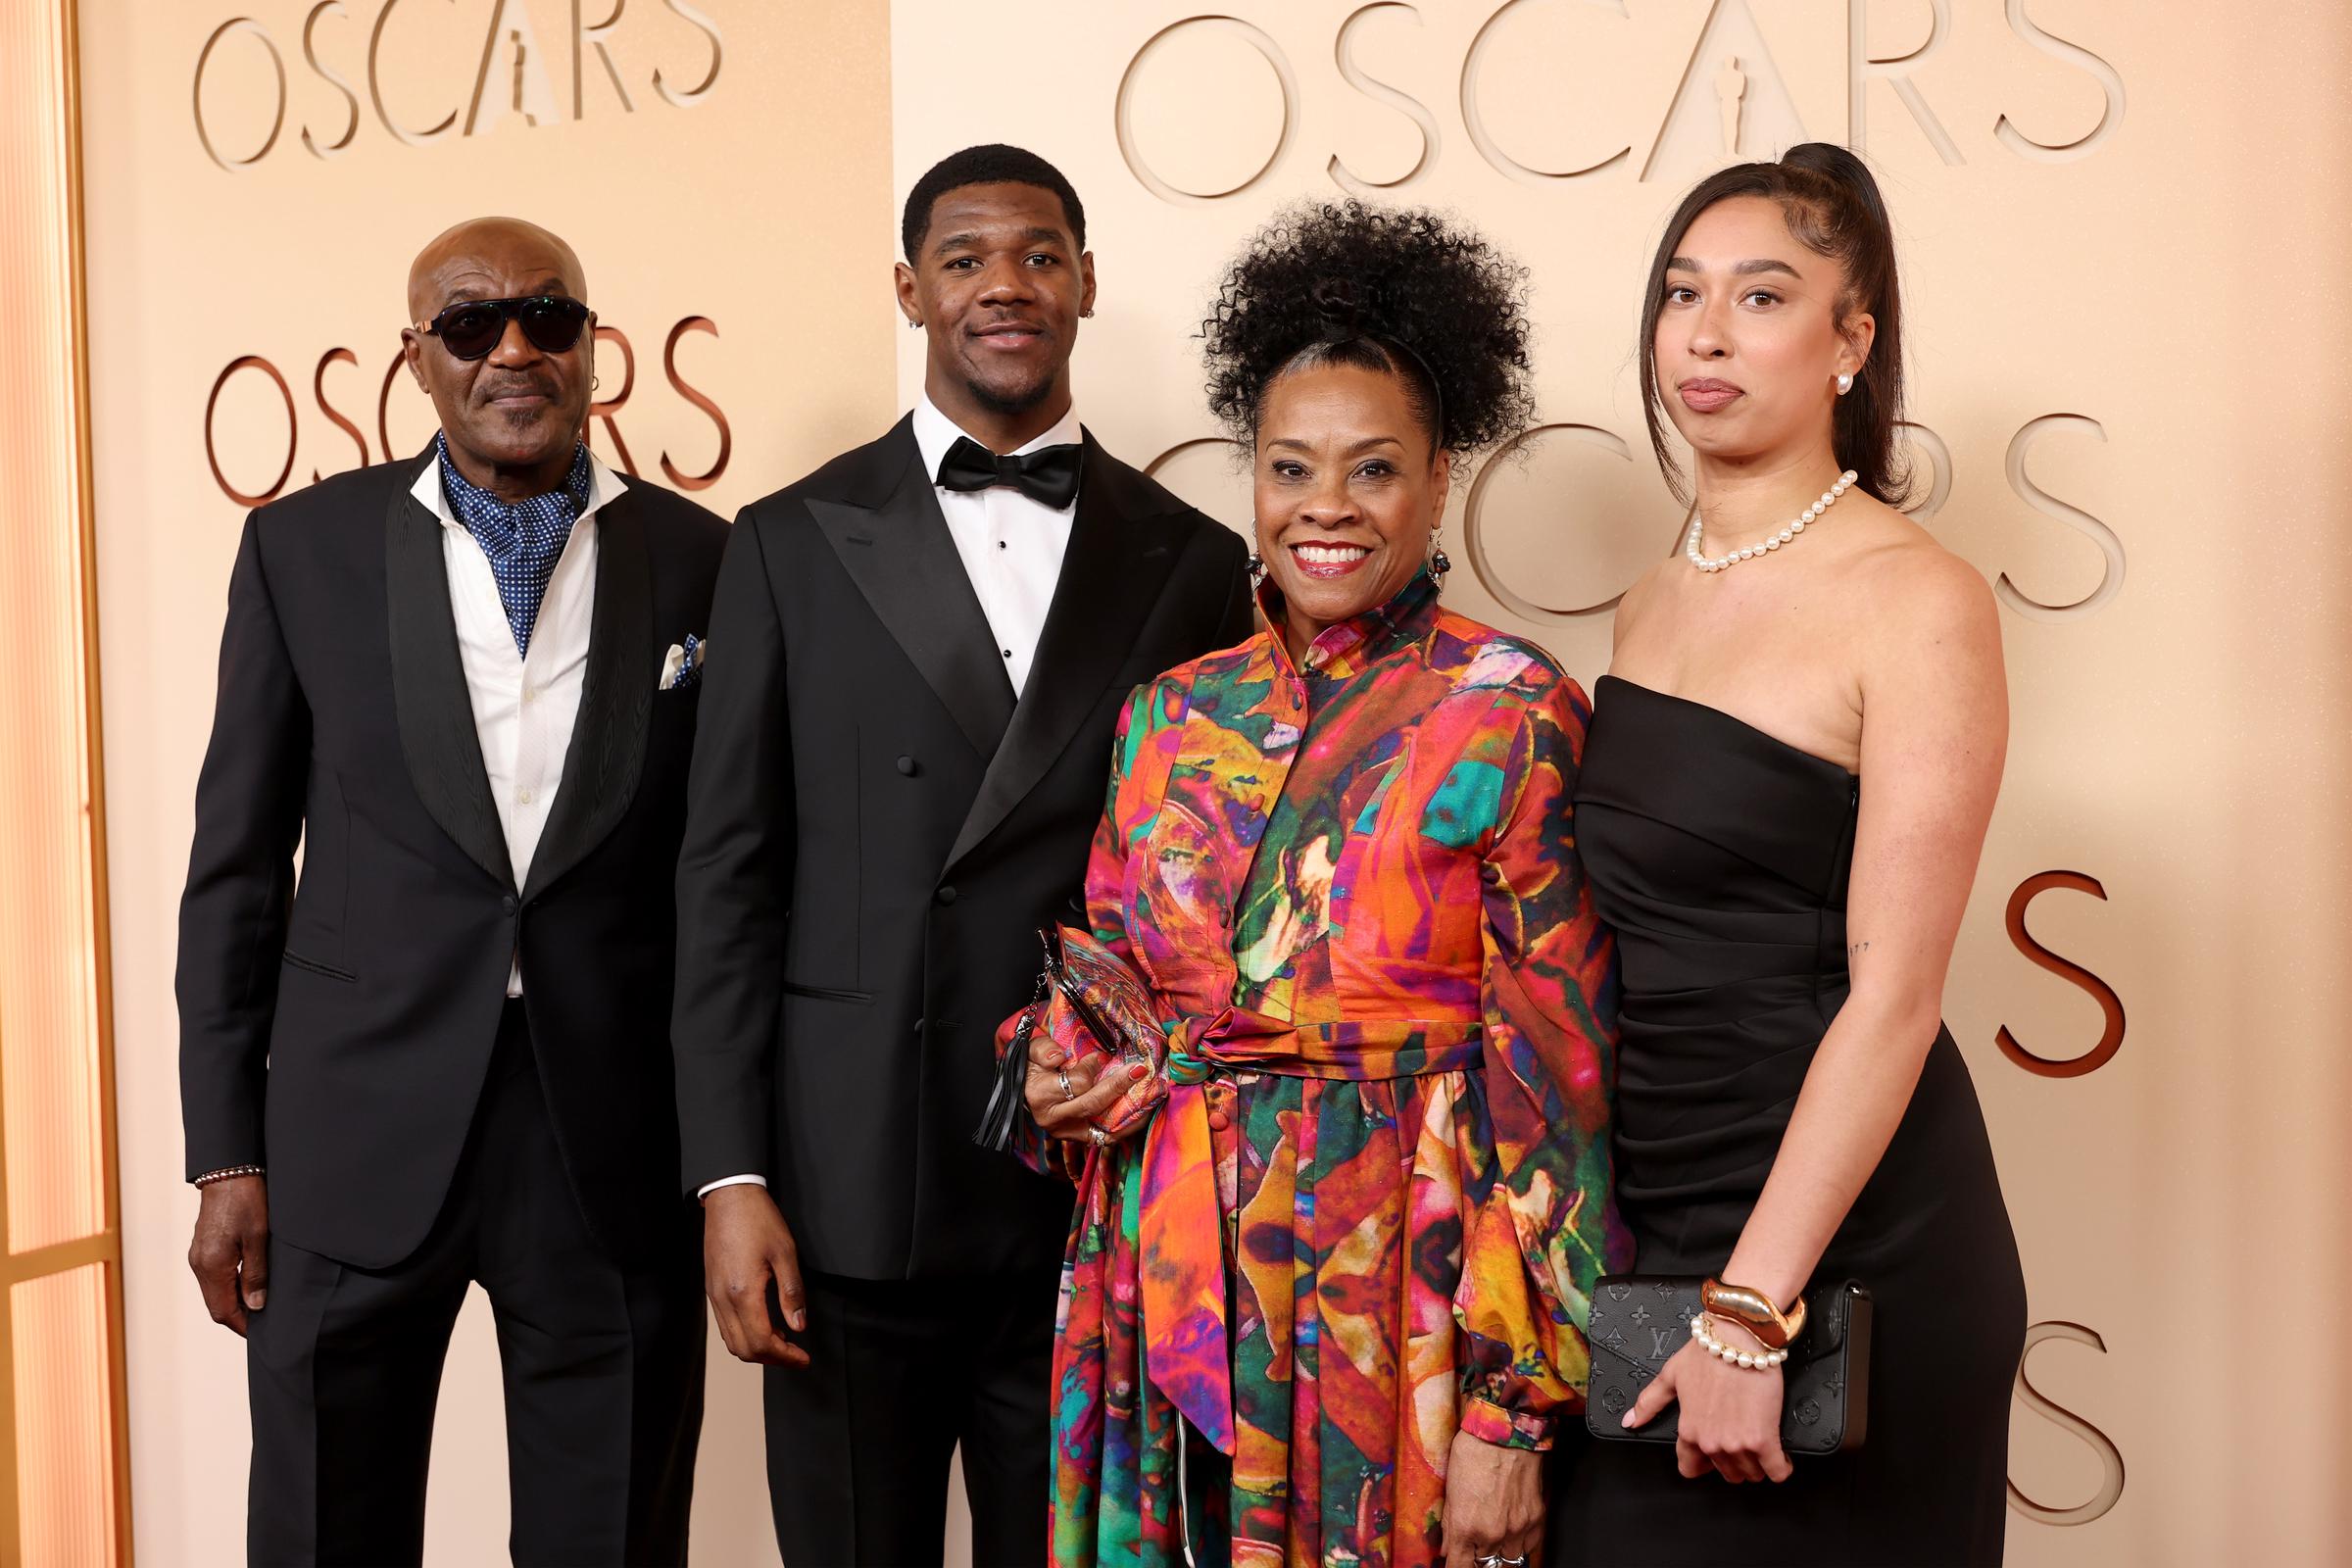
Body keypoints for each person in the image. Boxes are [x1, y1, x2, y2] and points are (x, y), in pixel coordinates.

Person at [1013, 200, 1625, 1568]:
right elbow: (1106, 974)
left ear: (1440, 477)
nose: (1326, 510)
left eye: (1373, 470)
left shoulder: (1511, 707)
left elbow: (1558, 1086)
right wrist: (1056, 1066)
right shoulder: (1170, 714)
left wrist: (1516, 1409)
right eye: (1291, 469)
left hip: (1392, 1294)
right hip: (1158, 1266)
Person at [670, 143, 1253, 1566]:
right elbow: (727, 882)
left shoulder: (1189, 557)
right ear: (911, 288)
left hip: (1090, 1185)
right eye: (969, 258)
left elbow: (1217, 884)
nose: (1009, 286)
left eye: (1042, 255)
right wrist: (730, 1179)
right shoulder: (790, 540)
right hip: (847, 1177)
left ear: (1088, 284)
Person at [178, 217, 723, 1565]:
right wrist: (225, 1155)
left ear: (594, 348)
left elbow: (732, 883)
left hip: (610, 1135)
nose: (515, 348)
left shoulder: (710, 560)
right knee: (322, 1525)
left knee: (612, 1533)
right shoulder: (301, 551)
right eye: (473, 325)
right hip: (352, 1131)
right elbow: (237, 873)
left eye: (548, 316)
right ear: (417, 356)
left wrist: (734, 1161)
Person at [1551, 144, 2027, 1564]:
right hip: (1655, 1215)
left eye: (1763, 297)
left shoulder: (1917, 600)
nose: (1705, 333)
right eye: (1682, 294)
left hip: (1846, 1245)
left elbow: (1895, 995)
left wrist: (1752, 1312)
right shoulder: (1649, 601)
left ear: (1850, 341)